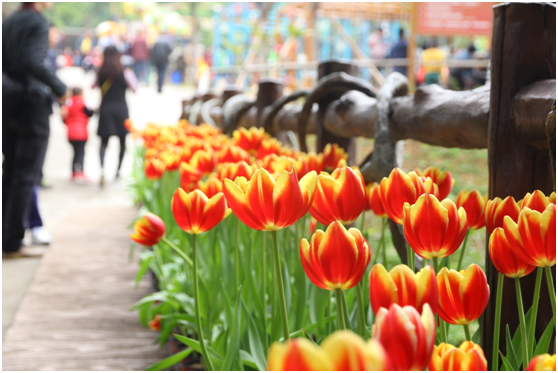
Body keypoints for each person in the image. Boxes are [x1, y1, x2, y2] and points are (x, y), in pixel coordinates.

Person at [2, 2, 67, 258]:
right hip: (31, 105)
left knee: (10, 171)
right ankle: (12, 242)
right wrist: (60, 88)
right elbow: (32, 61)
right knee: (26, 175)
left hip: (8, 103)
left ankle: (8, 238)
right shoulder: (38, 22)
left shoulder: (8, 21)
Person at [94, 46, 137, 186]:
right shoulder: (125, 72)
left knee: (103, 142)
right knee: (122, 142)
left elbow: (92, 86)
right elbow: (135, 89)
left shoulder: (100, 72)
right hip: (121, 110)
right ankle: (117, 171)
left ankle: (102, 169)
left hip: (105, 110)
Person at [60, 87, 94, 183]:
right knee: (80, 152)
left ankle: (73, 171)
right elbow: (90, 113)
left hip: (70, 133)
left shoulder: (68, 103)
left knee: (75, 152)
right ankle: (80, 171)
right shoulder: (83, 102)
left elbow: (63, 118)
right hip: (81, 133)